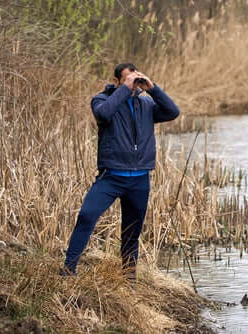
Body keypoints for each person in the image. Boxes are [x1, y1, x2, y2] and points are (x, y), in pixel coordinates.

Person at [60, 63, 180, 280]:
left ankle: (128, 279)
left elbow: (173, 112)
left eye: (136, 81)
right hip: (111, 176)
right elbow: (103, 115)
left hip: (139, 179)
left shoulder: (146, 103)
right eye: (128, 81)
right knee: (87, 216)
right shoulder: (102, 100)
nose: (134, 86)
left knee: (131, 233)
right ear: (117, 81)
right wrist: (125, 88)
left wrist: (153, 89)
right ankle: (68, 270)